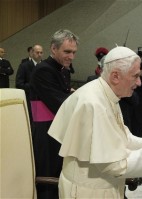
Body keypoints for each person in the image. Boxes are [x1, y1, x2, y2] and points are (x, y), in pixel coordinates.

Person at [48, 46, 142, 198]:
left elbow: (119, 134)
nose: (139, 83)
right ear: (116, 76)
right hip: (88, 192)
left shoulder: (106, 93)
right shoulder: (94, 103)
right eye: (135, 76)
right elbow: (114, 164)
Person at [30, 29, 79, 199]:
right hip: (46, 133)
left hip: (59, 130)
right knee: (48, 178)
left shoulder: (62, 69)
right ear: (53, 48)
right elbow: (61, 104)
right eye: (67, 51)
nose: (71, 56)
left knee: (60, 176)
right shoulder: (43, 70)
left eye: (73, 52)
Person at [16, 44, 44, 131]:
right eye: (37, 52)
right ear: (32, 53)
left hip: (43, 100)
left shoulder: (45, 66)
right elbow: (19, 83)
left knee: (41, 126)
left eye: (41, 52)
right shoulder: (24, 66)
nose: (39, 54)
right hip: (30, 99)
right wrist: (33, 86)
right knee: (31, 125)